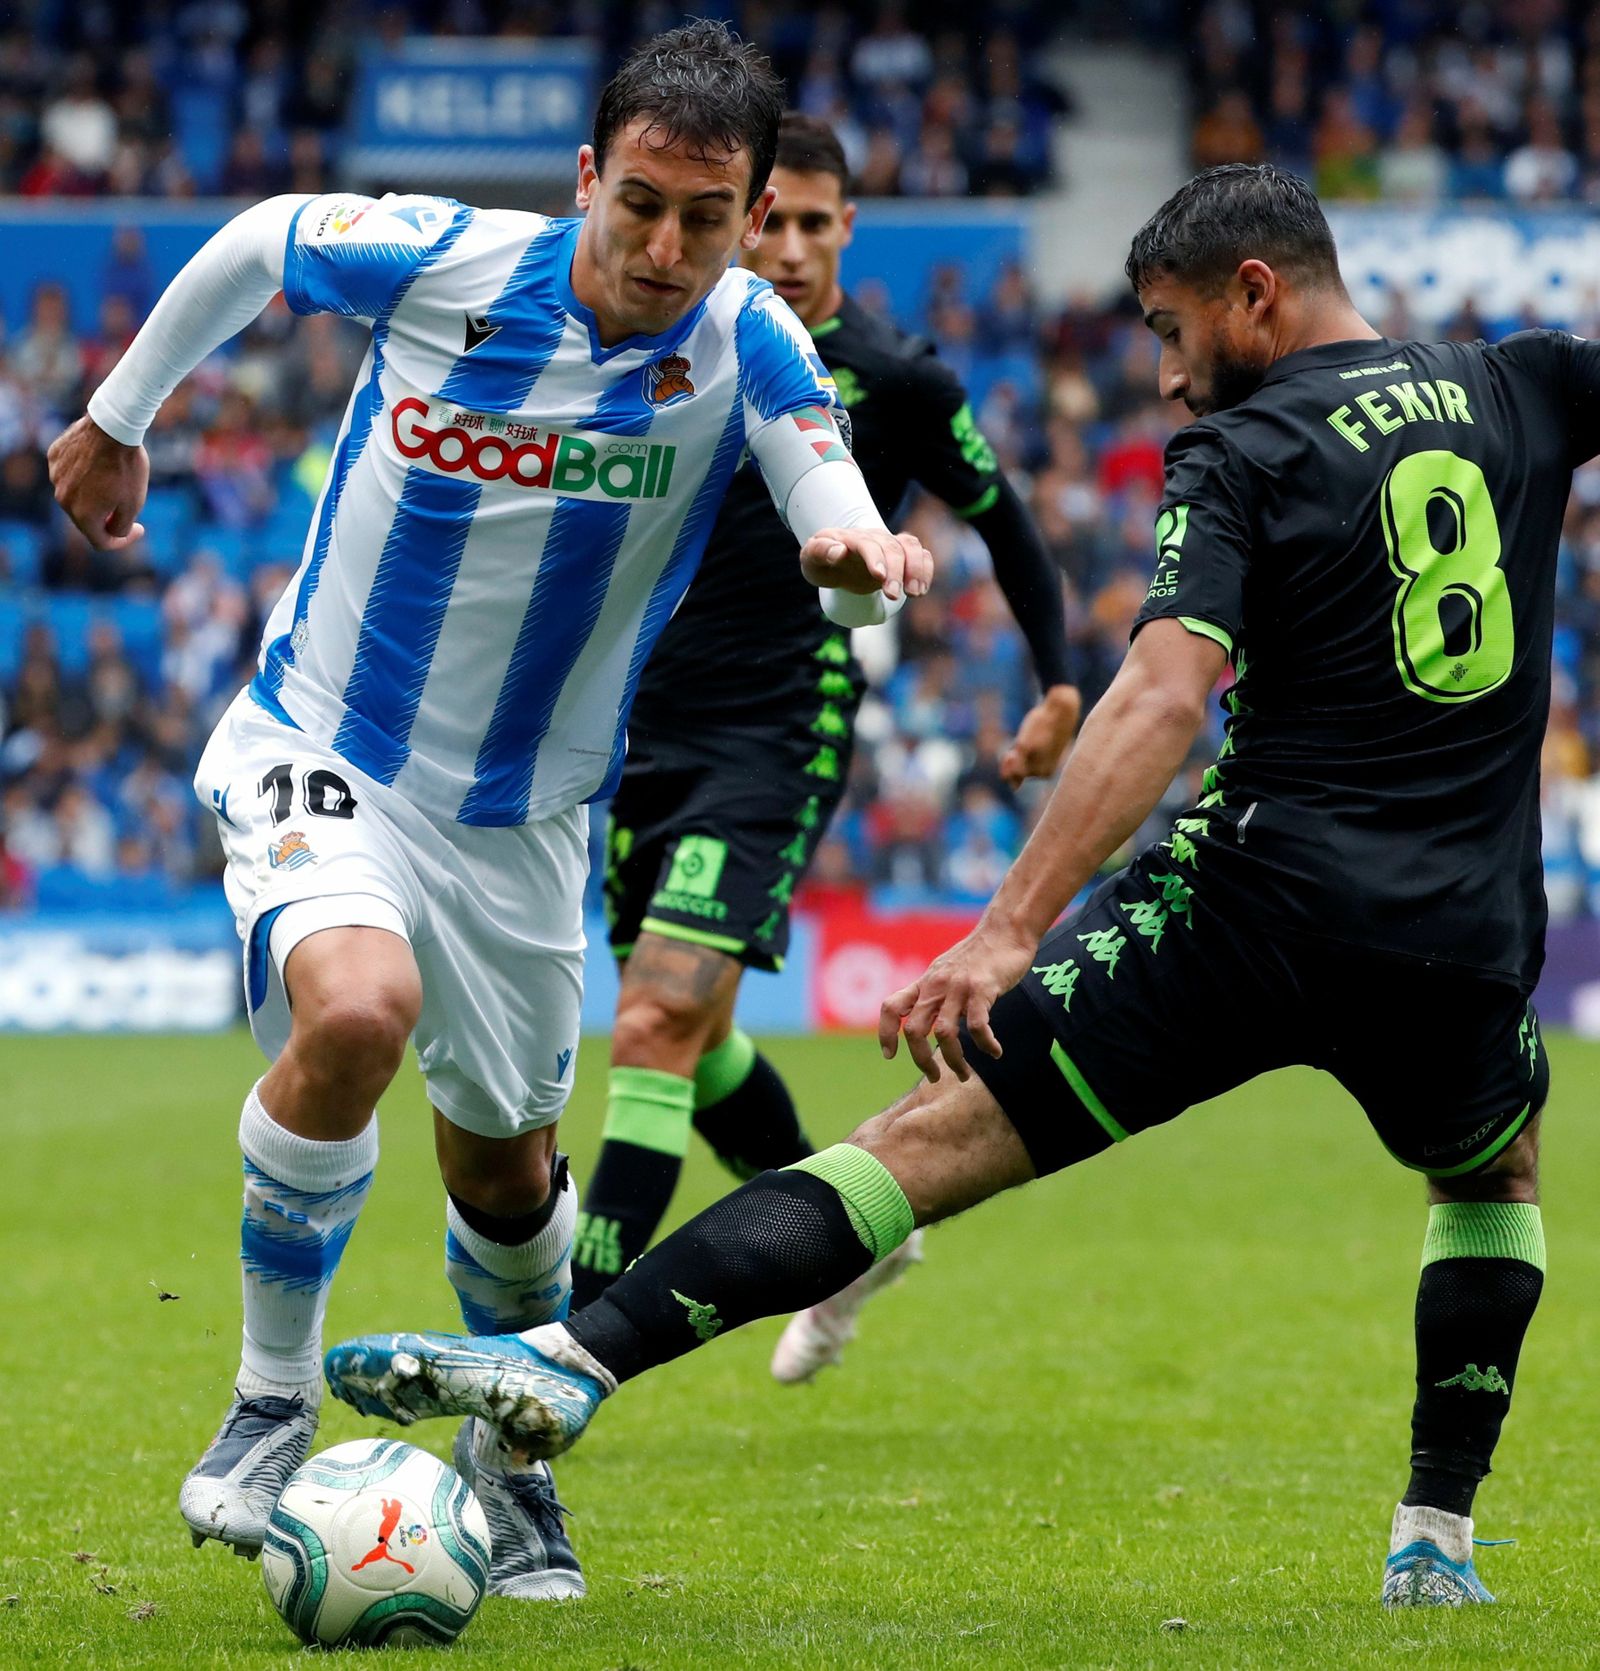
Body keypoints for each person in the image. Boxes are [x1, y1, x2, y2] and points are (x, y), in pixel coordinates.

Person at [325, 164, 1571, 1610]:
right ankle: (1434, 1540)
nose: (1168, 380)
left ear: (1256, 294)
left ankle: (571, 1356)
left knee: (918, 1144)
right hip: (1465, 936)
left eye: (1173, 334)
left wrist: (1007, 927)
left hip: (1252, 909)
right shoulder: (1519, 382)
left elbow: (1164, 697)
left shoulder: (1244, 450)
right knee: (1492, 1176)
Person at [47, 20, 932, 1601]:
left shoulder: (750, 344)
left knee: (507, 1180)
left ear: (748, 217)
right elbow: (260, 241)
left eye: (707, 218)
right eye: (641, 202)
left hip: (525, 823)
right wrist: (120, 415)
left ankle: (510, 1466)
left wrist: (859, 568)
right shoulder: (448, 262)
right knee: (356, 1009)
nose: (668, 248)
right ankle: (269, 1396)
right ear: (588, 177)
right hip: (333, 737)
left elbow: (832, 507)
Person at [575, 111, 1079, 1383]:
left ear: (846, 229)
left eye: (815, 222)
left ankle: (560, 1343)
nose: (790, 246)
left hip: (778, 724)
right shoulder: (675, 341)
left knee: (651, 1022)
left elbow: (1006, 525)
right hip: (638, 727)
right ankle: (850, 1228)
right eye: (772, 221)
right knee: (694, 1036)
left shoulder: (896, 380)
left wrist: (1059, 684)